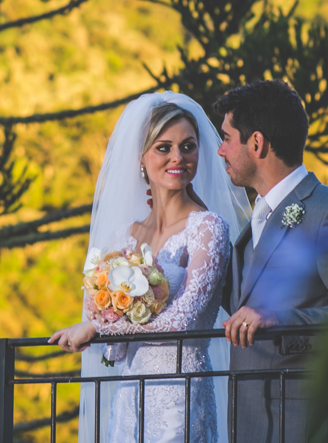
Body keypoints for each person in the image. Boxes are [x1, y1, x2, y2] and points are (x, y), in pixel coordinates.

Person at [50, 93, 250, 443]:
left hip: (180, 392)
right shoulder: (126, 237)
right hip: (132, 392)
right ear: (142, 157)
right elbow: (116, 349)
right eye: (164, 147)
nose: (178, 157)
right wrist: (106, 322)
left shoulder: (207, 228)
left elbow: (184, 320)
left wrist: (97, 328)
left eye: (188, 147)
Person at [217, 80, 328, 443]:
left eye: (226, 137)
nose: (220, 150)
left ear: (256, 143)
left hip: (304, 424)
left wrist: (279, 320)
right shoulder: (256, 217)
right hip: (248, 422)